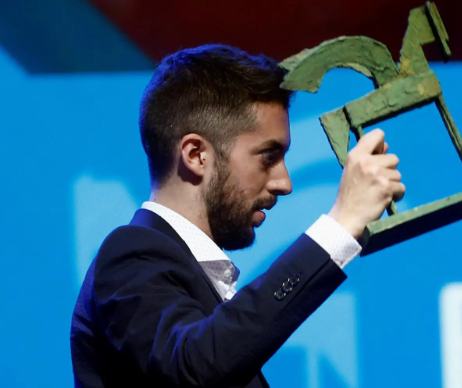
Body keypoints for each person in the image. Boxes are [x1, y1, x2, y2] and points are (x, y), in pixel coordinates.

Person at [70, 44, 405, 388]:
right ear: (196, 154)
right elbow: (196, 365)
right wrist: (341, 224)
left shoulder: (186, 282)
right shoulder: (129, 253)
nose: (284, 183)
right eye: (267, 156)